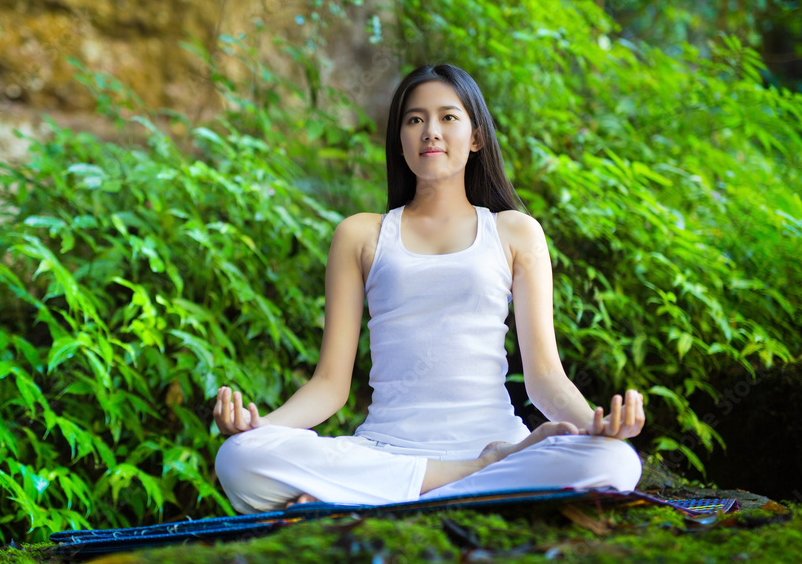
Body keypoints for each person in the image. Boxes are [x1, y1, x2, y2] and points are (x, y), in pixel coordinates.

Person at [212, 64, 644, 515]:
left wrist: (596, 426)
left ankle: (387, 494)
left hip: (491, 431)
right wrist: (259, 427)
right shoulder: (361, 235)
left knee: (615, 463)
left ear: (476, 137)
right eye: (415, 120)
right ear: (400, 139)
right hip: (386, 449)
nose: (430, 132)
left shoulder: (515, 232)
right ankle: (475, 475)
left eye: (448, 118)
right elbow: (330, 385)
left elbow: (545, 378)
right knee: (241, 458)